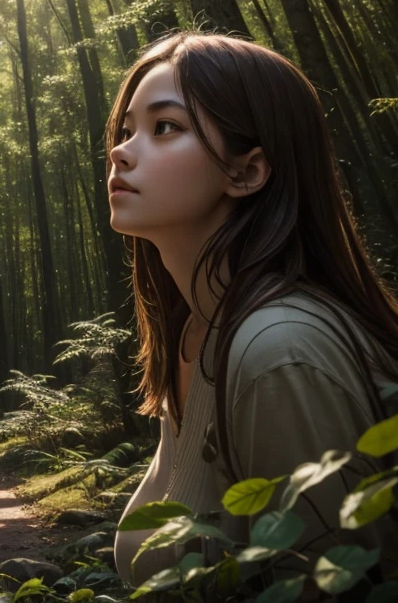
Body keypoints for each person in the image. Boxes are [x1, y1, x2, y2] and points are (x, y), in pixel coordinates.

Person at [107, 33, 398, 595]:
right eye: (125, 131)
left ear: (247, 172)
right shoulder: (197, 332)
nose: (121, 151)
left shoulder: (276, 351)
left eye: (165, 127)